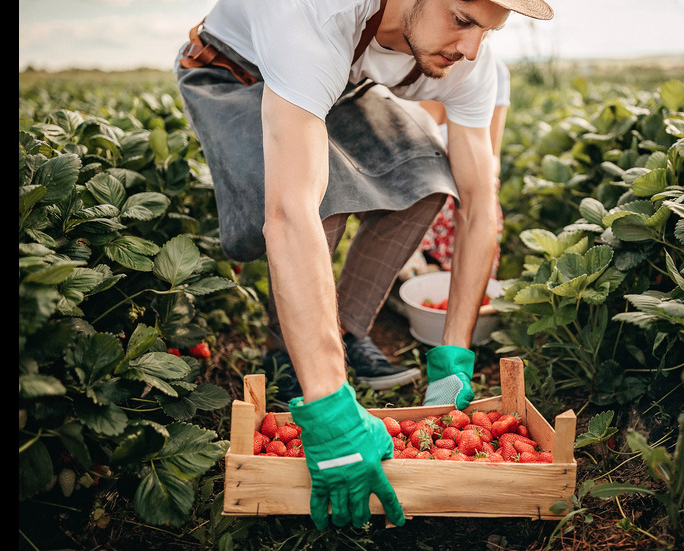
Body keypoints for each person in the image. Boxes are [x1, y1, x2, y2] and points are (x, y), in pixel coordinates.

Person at [175, 0, 553, 529]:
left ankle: (344, 331)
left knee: (428, 181)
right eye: (463, 19)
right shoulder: (315, 12)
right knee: (316, 198)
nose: (471, 49)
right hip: (234, 72)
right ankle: (294, 357)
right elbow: (290, 214)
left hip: (342, 79)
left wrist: (454, 350)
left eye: (488, 32)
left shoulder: (467, 60)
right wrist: (329, 409)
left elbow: (478, 199)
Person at [400, 57, 509, 280]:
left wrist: (476, 174)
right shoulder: (405, 68)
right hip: (408, 197)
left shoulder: (494, 70)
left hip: (459, 200)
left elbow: (494, 158)